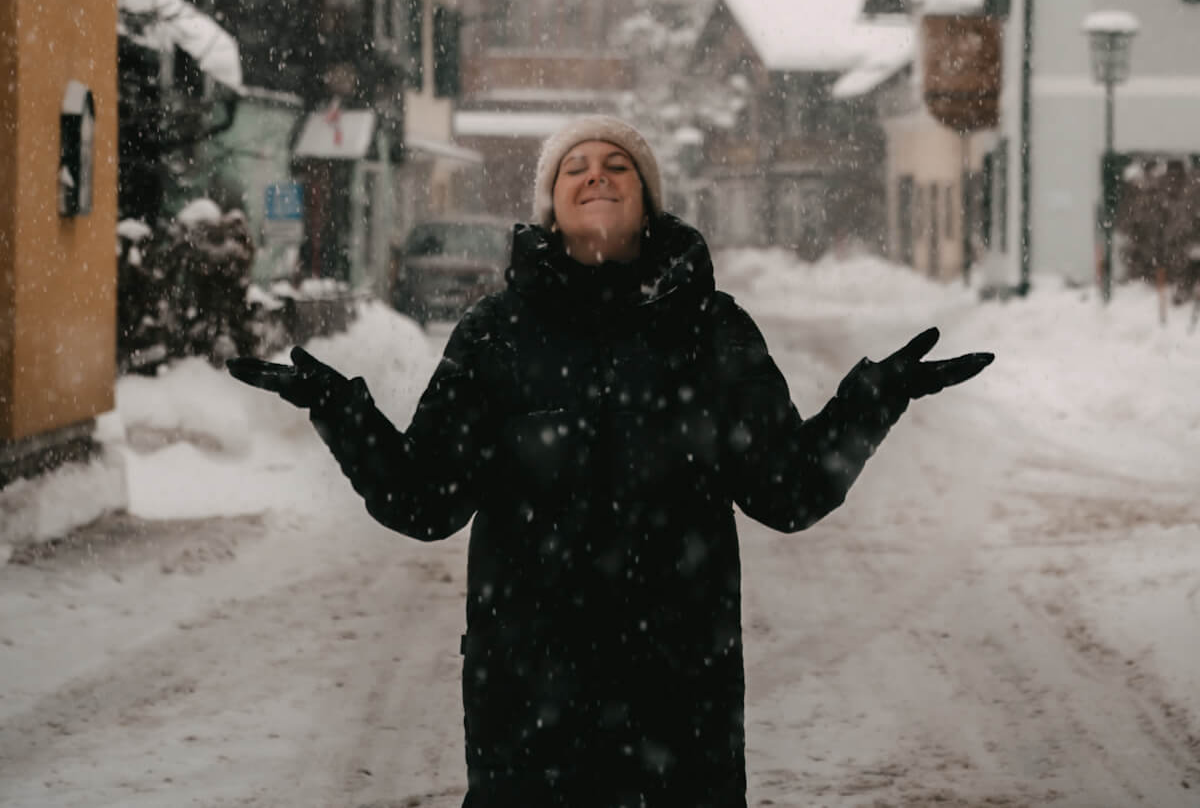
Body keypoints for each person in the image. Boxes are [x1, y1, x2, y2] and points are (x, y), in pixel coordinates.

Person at [229, 115, 993, 808]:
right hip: (528, 712)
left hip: (682, 709)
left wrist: (874, 399)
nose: (597, 174)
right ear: (550, 206)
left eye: (618, 164)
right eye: (576, 167)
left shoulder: (712, 330)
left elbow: (786, 490)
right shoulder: (496, 334)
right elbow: (426, 501)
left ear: (649, 200)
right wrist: (341, 410)